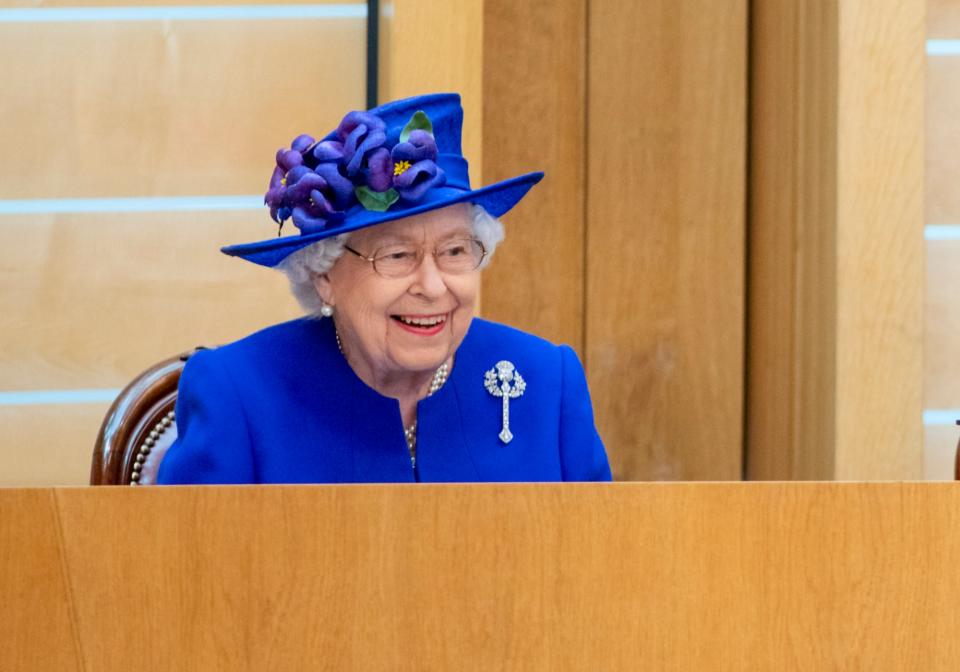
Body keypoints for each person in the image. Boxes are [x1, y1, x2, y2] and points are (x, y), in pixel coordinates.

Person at [157, 93, 611, 484]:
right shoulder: (238, 393)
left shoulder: (548, 382)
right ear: (324, 275)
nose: (432, 287)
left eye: (455, 252)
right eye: (397, 256)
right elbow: (192, 574)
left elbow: (598, 565)